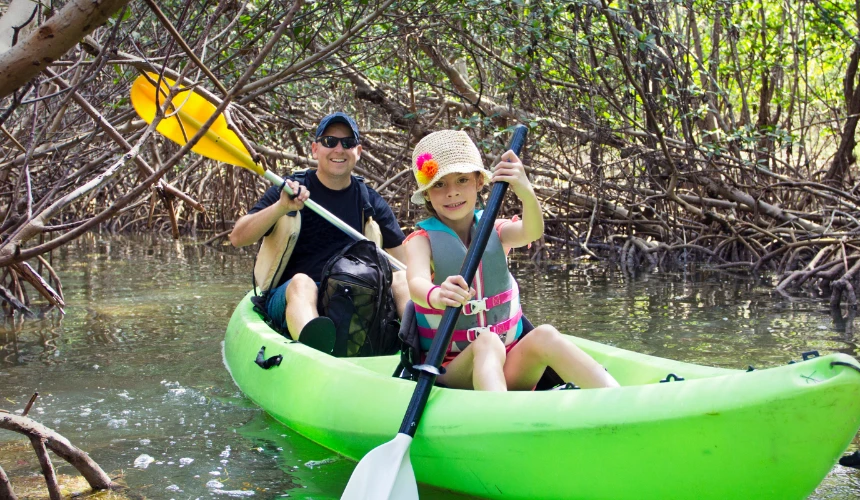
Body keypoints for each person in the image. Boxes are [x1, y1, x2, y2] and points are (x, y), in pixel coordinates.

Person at [404, 130, 619, 391]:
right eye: (439, 184)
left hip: (508, 362)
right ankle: (499, 422)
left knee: (545, 335)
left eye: (461, 180)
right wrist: (438, 295)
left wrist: (525, 191)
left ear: (478, 183)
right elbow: (416, 283)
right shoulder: (421, 240)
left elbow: (532, 232)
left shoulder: (494, 229)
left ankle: (616, 397)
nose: (452, 193)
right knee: (487, 342)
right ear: (426, 194)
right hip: (451, 370)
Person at [229, 112, 409, 341]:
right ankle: (315, 350)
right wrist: (280, 208)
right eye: (329, 142)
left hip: (353, 296)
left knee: (403, 280)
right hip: (293, 296)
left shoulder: (369, 201)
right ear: (315, 149)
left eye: (348, 143)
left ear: (358, 151)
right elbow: (238, 238)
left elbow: (404, 264)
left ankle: (424, 350)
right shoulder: (288, 190)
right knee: (302, 283)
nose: (339, 149)